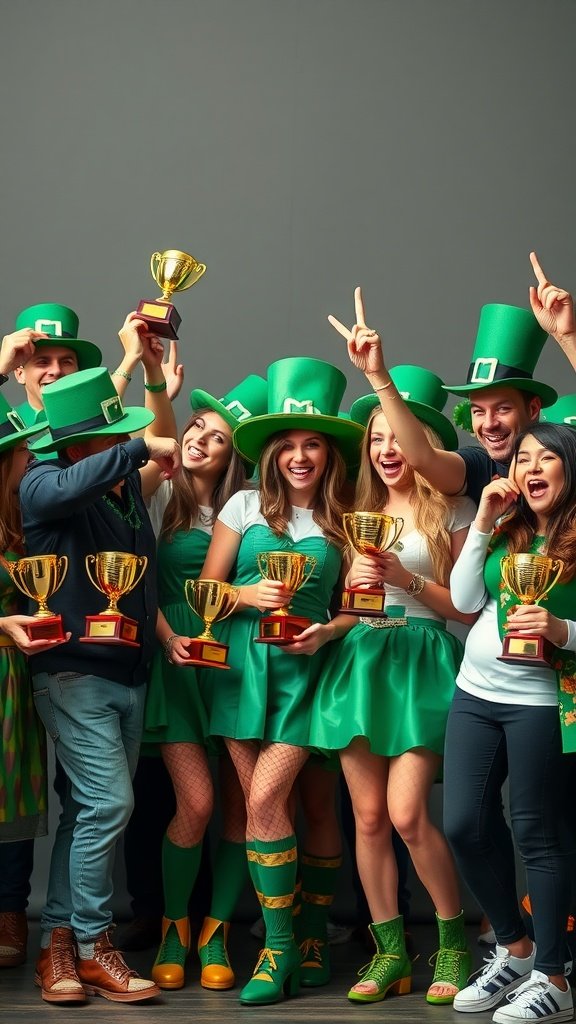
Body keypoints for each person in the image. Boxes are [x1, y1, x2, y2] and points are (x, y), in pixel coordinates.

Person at [308, 364, 476, 1004]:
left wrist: (402, 580)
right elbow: (356, 604)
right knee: (370, 817)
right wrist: (328, 631)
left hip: (423, 660)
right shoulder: (358, 510)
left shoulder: (454, 507)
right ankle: (389, 955)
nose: (385, 450)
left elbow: (463, 608)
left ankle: (453, 944)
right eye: (376, 438)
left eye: (397, 438)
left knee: (408, 814)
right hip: (361, 659)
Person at [199, 356, 364, 1005]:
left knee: (305, 805)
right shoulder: (242, 505)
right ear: (272, 453)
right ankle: (284, 937)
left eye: (312, 444)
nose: (300, 456)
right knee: (263, 808)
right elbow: (207, 588)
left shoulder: (348, 516)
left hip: (308, 672)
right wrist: (242, 595)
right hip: (241, 671)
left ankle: (300, 939)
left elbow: (364, 604)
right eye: (289, 445)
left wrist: (327, 629)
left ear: (328, 452)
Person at [19, 365, 180, 1004]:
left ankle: (57, 946)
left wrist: (151, 380)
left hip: (127, 674)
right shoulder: (42, 485)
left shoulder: (123, 492)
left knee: (88, 810)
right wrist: (137, 447)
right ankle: (92, 944)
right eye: (110, 435)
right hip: (72, 673)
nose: (123, 440)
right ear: (79, 444)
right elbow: (69, 486)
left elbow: (151, 452)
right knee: (111, 803)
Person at [444, 422, 576, 1023]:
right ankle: (515, 950)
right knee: (464, 825)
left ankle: (554, 977)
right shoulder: (505, 527)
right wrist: (480, 523)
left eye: (548, 457)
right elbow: (467, 599)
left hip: (543, 704)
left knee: (538, 837)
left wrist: (562, 632)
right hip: (476, 692)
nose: (532, 467)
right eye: (524, 458)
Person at [141, 374, 268, 991]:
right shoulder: (158, 493)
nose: (199, 441)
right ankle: (174, 927)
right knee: (196, 802)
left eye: (216, 438)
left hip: (235, 661)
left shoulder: (243, 511)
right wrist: (167, 640)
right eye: (197, 428)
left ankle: (215, 930)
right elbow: (139, 584)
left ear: (232, 458)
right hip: (175, 658)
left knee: (245, 806)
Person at [327, 270, 562, 504]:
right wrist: (377, 375)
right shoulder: (478, 465)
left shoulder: (565, 455)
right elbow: (421, 458)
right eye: (478, 411)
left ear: (532, 409)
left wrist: (567, 336)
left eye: (503, 409)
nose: (489, 424)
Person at [0, 386, 69, 969]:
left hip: (15, 678)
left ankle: (9, 913)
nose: (30, 458)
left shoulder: (21, 518)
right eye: (21, 451)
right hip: (5, 652)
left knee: (15, 794)